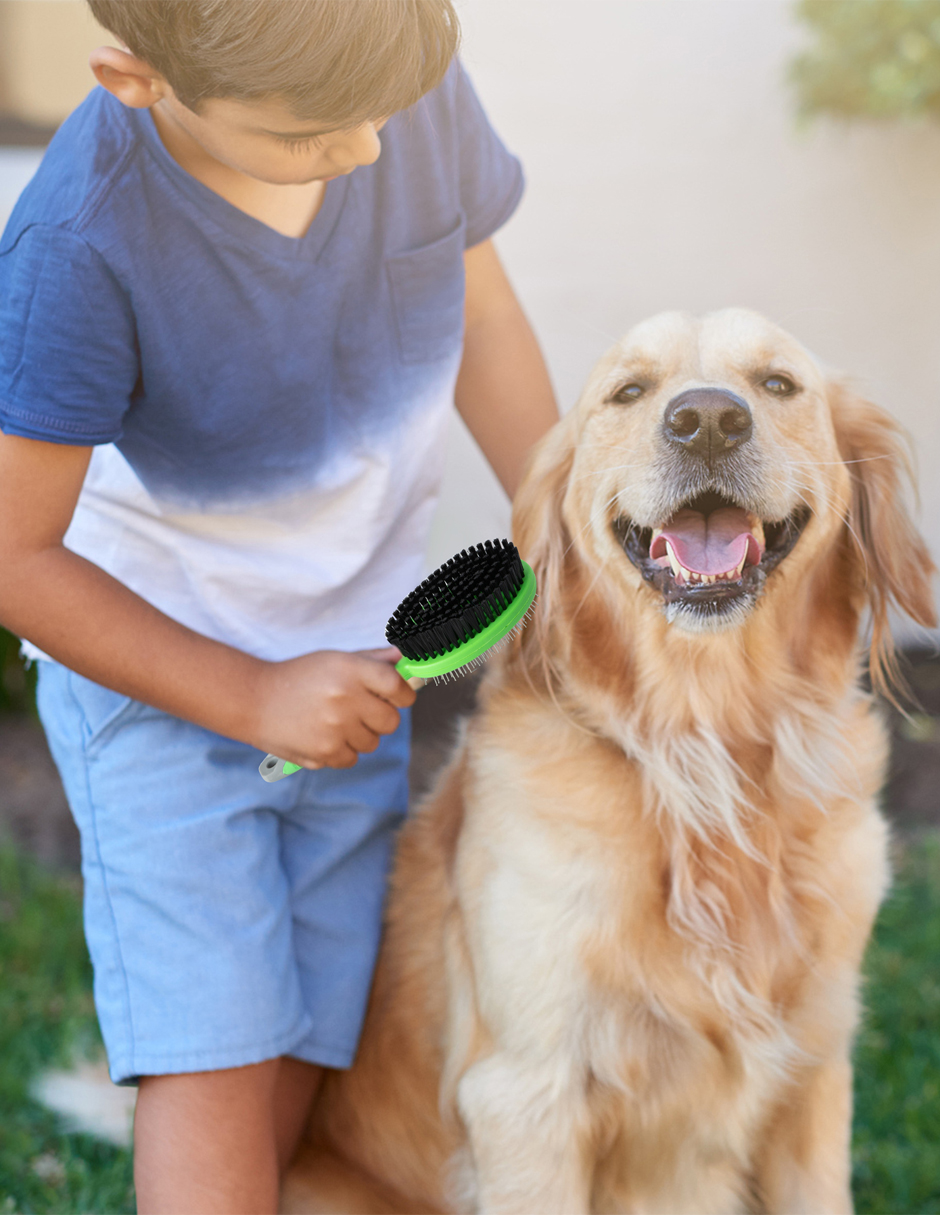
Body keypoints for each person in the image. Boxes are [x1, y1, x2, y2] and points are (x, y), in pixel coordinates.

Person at [0, 2, 558, 1210]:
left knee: (311, 1021)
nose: (364, 151)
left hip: (353, 664)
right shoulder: (79, 246)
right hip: (159, 680)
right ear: (137, 81)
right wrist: (248, 695)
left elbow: (490, 321)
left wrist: (551, 505)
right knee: (216, 1050)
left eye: (379, 116)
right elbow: (15, 558)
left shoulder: (389, 90)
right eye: (312, 135)